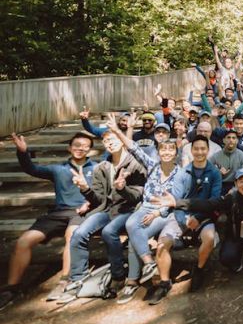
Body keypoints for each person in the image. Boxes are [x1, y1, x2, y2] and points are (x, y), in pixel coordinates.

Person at [0, 133, 98, 309]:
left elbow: (103, 192)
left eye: (85, 146)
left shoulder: (96, 168)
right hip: (58, 213)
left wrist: (89, 202)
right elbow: (31, 169)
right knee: (24, 241)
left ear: (90, 150)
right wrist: (23, 152)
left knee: (71, 235)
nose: (80, 148)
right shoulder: (58, 169)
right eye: (77, 145)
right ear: (69, 147)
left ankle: (65, 280)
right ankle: (12, 287)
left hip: (82, 212)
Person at [56, 122, 148, 304]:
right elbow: (98, 199)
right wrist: (85, 189)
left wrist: (122, 189)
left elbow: (138, 195)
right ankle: (77, 278)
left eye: (113, 139)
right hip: (107, 210)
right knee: (78, 233)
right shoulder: (102, 168)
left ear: (122, 141)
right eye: (106, 141)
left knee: (109, 232)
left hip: (128, 210)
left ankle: (118, 275)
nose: (110, 143)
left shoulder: (135, 164)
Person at [159, 167, 243, 281]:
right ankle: (236, 258)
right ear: (235, 183)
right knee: (226, 259)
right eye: (241, 181)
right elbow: (208, 204)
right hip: (237, 236)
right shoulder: (231, 198)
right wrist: (177, 203)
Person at [112, 126, 182, 304]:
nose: (166, 152)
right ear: (158, 152)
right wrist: (117, 131)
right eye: (163, 149)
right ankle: (149, 263)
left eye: (170, 149)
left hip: (165, 212)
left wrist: (159, 212)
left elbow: (177, 200)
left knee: (137, 233)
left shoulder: (180, 173)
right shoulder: (152, 165)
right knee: (131, 225)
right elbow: (134, 148)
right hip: (145, 206)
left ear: (175, 153)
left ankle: (132, 280)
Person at [153, 135, 222, 303]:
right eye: (196, 148)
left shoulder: (214, 173)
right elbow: (174, 201)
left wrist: (197, 217)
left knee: (210, 238)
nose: (199, 152)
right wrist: (185, 219)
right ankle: (164, 282)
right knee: (163, 243)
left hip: (204, 217)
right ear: (191, 151)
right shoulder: (182, 173)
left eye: (202, 148)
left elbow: (213, 203)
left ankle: (199, 269)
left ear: (208, 150)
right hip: (181, 216)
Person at [212, 129, 243, 194]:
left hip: (236, 185)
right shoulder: (215, 156)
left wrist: (235, 189)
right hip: (219, 184)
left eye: (233, 138)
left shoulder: (242, 156)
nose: (231, 140)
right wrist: (217, 171)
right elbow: (207, 170)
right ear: (224, 140)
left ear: (237, 141)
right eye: (228, 138)